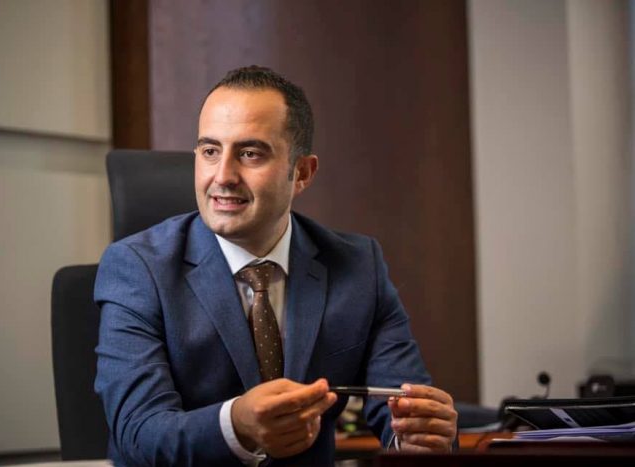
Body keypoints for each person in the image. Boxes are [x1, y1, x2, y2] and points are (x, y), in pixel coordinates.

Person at [94, 65, 457, 466]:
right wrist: (236, 426)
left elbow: (403, 411)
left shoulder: (358, 267)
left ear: (301, 172)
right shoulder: (136, 268)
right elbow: (138, 432)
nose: (223, 176)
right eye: (210, 151)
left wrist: (416, 440)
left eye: (250, 154)